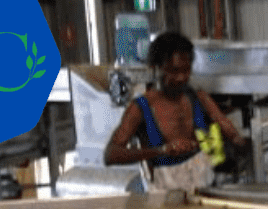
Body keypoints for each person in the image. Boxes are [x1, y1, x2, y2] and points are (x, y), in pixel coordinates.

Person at [104, 31, 247, 196]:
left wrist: (232, 147)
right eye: (173, 71)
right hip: (165, 200)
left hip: (205, 193)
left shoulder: (199, 98)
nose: (181, 78)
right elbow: (111, 155)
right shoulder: (140, 108)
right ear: (156, 68)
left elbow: (232, 134)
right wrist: (161, 151)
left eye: (186, 71)